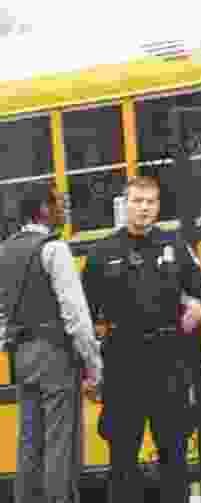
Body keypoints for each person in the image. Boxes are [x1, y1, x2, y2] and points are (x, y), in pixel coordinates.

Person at [81, 176, 201, 503]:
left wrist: (200, 306)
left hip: (168, 363)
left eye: (150, 202)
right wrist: (88, 370)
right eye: (137, 201)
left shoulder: (174, 245)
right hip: (122, 365)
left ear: (158, 206)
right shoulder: (102, 253)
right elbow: (84, 315)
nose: (144, 208)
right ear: (124, 204)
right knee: (123, 457)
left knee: (174, 453)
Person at [0, 181, 103, 503]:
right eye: (59, 202)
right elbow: (76, 316)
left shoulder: (4, 251)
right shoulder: (54, 248)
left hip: (22, 356)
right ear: (44, 209)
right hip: (56, 356)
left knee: (29, 440)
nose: (64, 208)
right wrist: (93, 364)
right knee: (62, 443)